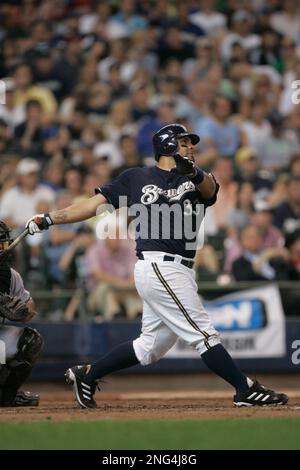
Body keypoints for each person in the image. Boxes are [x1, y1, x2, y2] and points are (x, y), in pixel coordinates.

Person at [25, 123, 288, 409]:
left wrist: (194, 172)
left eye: (191, 143)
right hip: (158, 266)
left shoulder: (198, 178)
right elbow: (92, 206)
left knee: (150, 347)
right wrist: (50, 218)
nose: (191, 147)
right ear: (167, 145)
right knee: (204, 334)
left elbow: (210, 189)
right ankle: (244, 389)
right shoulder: (136, 177)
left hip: (183, 269)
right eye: (185, 142)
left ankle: (88, 375)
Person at [0, 221, 43, 406]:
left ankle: (7, 396)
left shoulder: (9, 275)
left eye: (2, 243)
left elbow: (30, 307)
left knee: (31, 341)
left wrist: (23, 311)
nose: (3, 248)